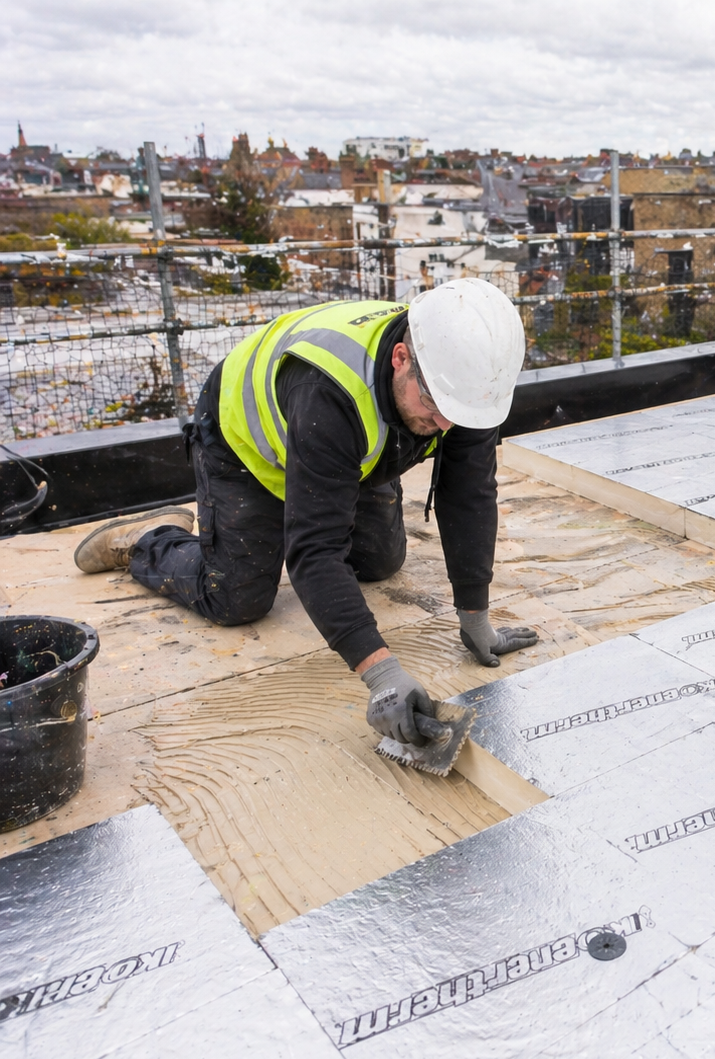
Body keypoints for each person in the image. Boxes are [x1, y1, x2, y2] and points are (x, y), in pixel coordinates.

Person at [72, 279, 538, 748]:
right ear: (401, 359)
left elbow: (469, 493)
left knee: (380, 563)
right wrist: (381, 674)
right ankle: (148, 539)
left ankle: (323, 490)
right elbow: (314, 551)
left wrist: (476, 615)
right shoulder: (331, 391)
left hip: (343, 452)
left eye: (459, 414)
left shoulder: (465, 383)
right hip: (246, 449)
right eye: (435, 407)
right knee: (236, 599)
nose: (445, 426)